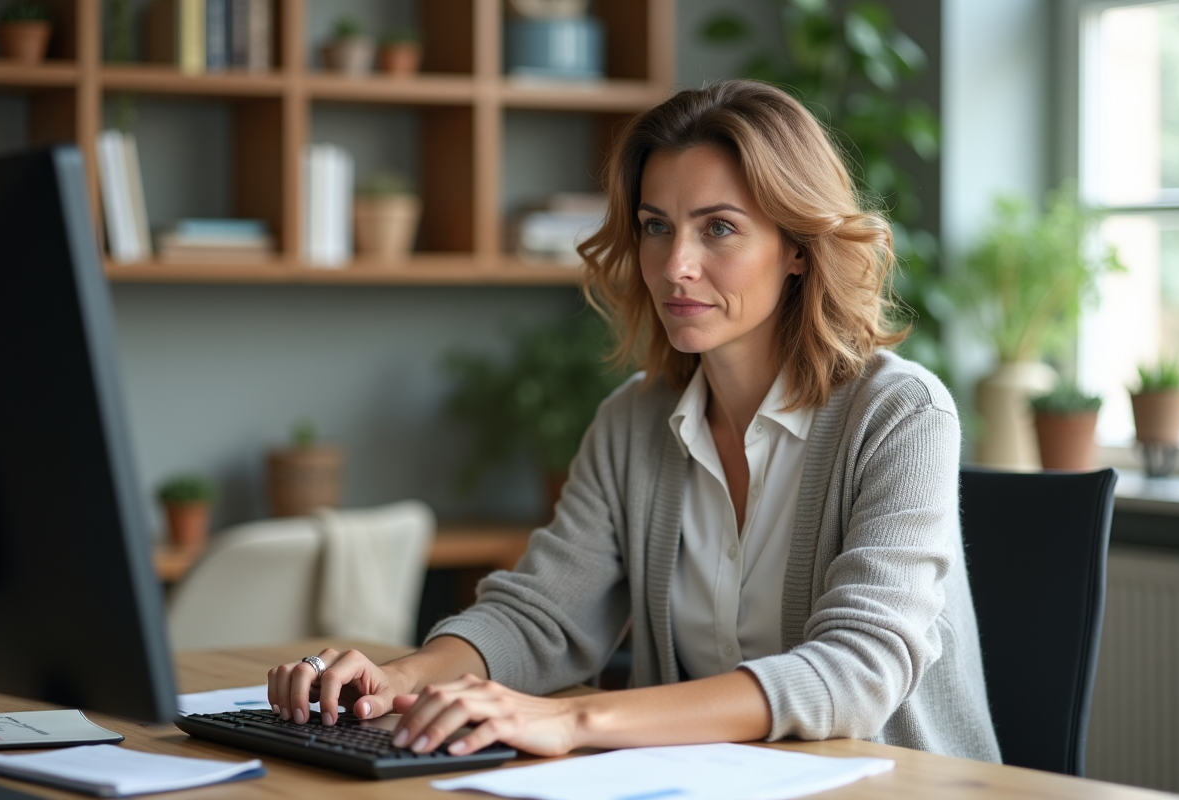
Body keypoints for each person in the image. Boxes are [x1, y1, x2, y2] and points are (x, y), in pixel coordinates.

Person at [267, 79, 1001, 763]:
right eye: (657, 227)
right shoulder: (632, 424)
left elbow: (855, 671)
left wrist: (572, 722)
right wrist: (395, 682)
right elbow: (542, 618)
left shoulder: (901, 414)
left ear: (798, 250)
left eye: (718, 229)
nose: (675, 264)